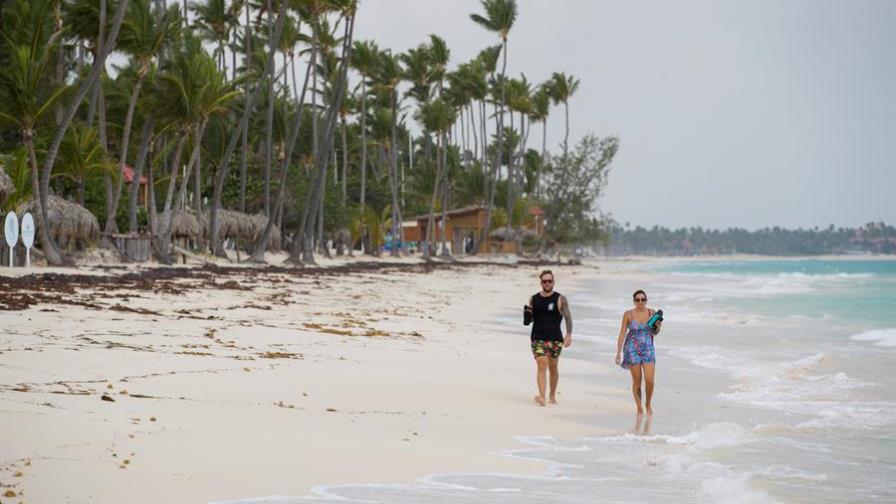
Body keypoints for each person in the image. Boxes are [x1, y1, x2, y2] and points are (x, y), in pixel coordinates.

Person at [526, 270, 572, 407]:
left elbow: (568, 317)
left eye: (549, 281)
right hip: (537, 337)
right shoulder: (533, 299)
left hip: (555, 339)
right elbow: (529, 320)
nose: (547, 283)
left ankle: (552, 395)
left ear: (553, 282)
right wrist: (527, 316)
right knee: (541, 364)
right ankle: (542, 397)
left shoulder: (560, 299)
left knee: (553, 367)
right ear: (541, 283)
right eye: (544, 281)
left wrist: (568, 334)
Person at [615, 289, 662, 415]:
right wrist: (618, 353)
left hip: (648, 349)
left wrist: (658, 326)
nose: (640, 302)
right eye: (637, 299)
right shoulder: (628, 314)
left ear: (646, 301)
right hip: (631, 349)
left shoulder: (652, 313)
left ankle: (648, 403)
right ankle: (639, 407)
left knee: (649, 380)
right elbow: (622, 333)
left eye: (643, 299)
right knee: (637, 381)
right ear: (634, 301)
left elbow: (655, 332)